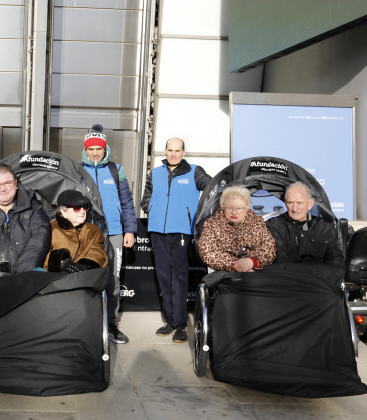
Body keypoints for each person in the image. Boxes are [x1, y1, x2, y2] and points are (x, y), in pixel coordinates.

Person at [141, 137, 211, 343]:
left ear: (184, 152)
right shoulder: (155, 173)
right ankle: (169, 322)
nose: (173, 154)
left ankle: (180, 325)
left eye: (177, 150)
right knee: (164, 277)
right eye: (170, 150)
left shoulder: (195, 171)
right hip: (157, 231)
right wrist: (152, 211)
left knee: (178, 278)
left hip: (181, 232)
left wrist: (198, 214)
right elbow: (146, 198)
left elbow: (213, 189)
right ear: (165, 151)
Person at [82, 124, 136, 344]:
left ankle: (111, 324)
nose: (95, 152)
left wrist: (130, 230)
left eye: (99, 148)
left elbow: (127, 203)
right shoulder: (78, 171)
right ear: (85, 150)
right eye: (91, 149)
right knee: (86, 277)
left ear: (105, 149)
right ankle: (87, 323)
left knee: (112, 279)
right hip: (87, 234)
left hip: (114, 232)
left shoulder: (116, 170)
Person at [197, 185, 276, 272]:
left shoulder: (257, 222)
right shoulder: (212, 224)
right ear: (223, 206)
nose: (234, 212)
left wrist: (252, 262)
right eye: (229, 207)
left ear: (246, 208)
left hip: (254, 272)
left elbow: (269, 247)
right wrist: (235, 265)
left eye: (239, 208)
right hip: (224, 273)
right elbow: (207, 252)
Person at [266, 182, 345, 267]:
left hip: (320, 278)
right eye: (290, 202)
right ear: (285, 202)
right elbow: (280, 260)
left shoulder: (323, 226)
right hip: (287, 277)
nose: (294, 208)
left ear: (310, 204)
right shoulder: (274, 225)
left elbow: (336, 259)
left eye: (299, 203)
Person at [45, 189, 108, 272]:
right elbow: (39, 256)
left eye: (85, 207)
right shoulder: (49, 228)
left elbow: (98, 253)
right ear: (63, 211)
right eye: (77, 208)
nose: (82, 211)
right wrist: (62, 262)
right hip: (55, 280)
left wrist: (83, 267)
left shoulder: (93, 231)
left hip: (84, 279)